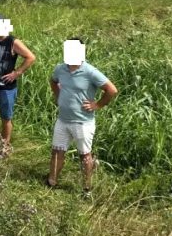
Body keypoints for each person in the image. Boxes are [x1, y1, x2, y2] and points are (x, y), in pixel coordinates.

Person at [46, 38, 119, 197]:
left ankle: (87, 188)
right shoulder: (60, 69)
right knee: (57, 151)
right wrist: (58, 96)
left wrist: (97, 105)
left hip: (82, 122)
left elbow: (111, 90)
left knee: (84, 155)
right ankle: (52, 182)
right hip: (62, 120)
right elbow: (53, 81)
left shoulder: (90, 71)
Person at [0, 15, 36, 155]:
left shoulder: (13, 42)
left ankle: (4, 146)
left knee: (6, 118)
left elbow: (31, 57)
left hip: (6, 89)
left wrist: (16, 73)